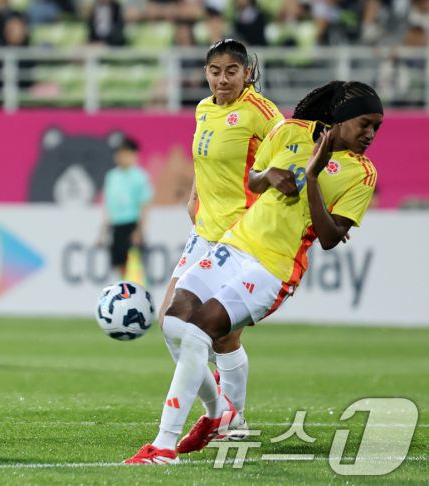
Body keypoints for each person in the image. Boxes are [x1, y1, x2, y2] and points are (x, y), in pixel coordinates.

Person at [125, 80, 383, 464]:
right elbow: (254, 179)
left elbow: (330, 237)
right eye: (365, 123)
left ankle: (164, 446)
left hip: (273, 266)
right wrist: (272, 176)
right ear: (341, 118)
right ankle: (220, 413)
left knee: (201, 330)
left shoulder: (362, 174)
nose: (371, 134)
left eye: (377, 127)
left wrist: (312, 178)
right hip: (235, 244)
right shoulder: (291, 131)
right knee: (174, 322)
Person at [158, 38, 284, 438]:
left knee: (224, 336)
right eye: (215, 71)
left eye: (232, 71)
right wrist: (194, 193)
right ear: (206, 73)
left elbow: (288, 156)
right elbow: (205, 158)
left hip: (242, 235)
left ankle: (233, 419)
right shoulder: (203, 109)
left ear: (247, 72)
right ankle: (220, 411)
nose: (223, 79)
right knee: (170, 322)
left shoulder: (262, 112)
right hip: (203, 230)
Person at [98, 137, 153, 279]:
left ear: (133, 155)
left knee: (135, 265)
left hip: (132, 225)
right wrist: (103, 232)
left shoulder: (140, 177)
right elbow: (108, 206)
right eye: (118, 153)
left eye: (124, 153)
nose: (120, 156)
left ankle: (136, 290)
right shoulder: (112, 176)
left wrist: (139, 231)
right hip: (116, 226)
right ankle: (123, 289)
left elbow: (144, 206)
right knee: (118, 264)